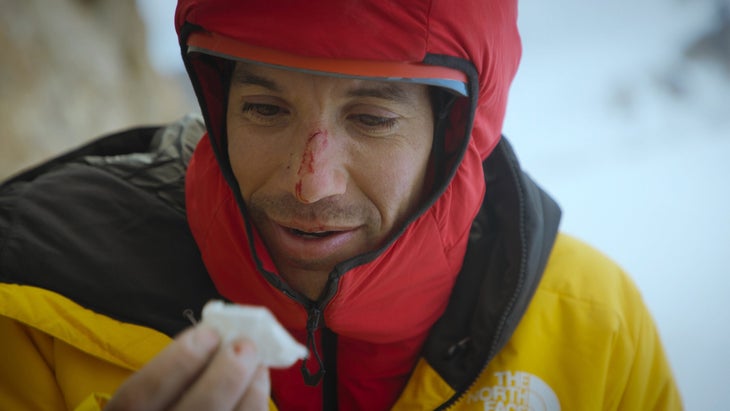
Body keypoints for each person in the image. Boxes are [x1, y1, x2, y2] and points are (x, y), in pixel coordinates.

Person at [0, 0, 683, 410]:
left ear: (456, 131)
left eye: (373, 119)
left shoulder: (591, 326)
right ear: (217, 102)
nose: (312, 183)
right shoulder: (35, 306)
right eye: (266, 108)